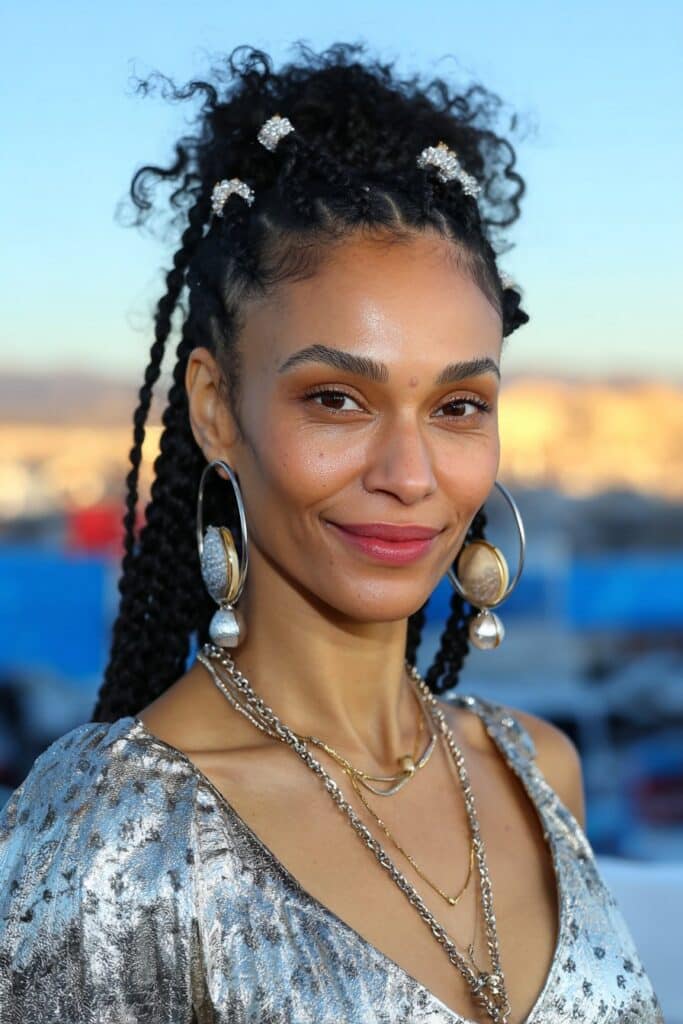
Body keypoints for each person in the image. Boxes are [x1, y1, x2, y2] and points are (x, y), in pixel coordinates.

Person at [0, 40, 664, 1024]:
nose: (407, 476)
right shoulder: (113, 838)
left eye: (455, 406)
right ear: (216, 407)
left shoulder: (540, 771)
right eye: (336, 398)